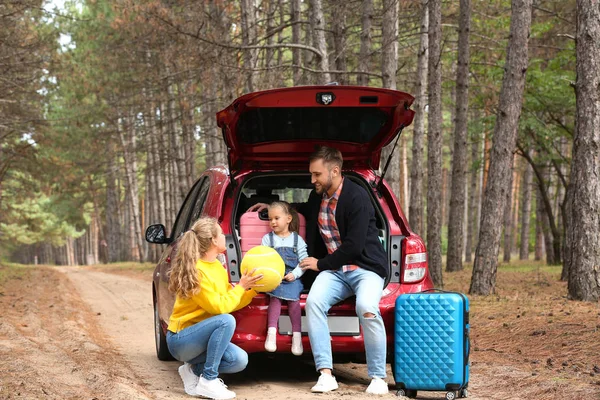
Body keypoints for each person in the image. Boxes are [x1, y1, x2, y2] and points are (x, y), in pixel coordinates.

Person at [248, 146, 390, 395]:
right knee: (313, 303)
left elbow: (355, 246)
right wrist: (274, 208)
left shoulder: (357, 197)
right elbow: (300, 211)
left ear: (334, 171)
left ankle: (377, 376)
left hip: (365, 268)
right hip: (335, 272)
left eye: (316, 174)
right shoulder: (319, 197)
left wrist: (320, 264)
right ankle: (326, 373)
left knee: (366, 308)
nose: (312, 180)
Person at [166, 216, 263, 399]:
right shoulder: (198, 271)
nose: (225, 235)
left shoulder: (217, 266)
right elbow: (220, 308)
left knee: (239, 360)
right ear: (212, 240)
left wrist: (252, 291)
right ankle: (208, 380)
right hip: (181, 340)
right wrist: (240, 287)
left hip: (200, 342)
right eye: (221, 233)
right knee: (226, 321)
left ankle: (194, 370)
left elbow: (230, 301)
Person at [261, 201, 308, 356]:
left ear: (288, 219)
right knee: (274, 298)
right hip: (275, 277)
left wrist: (294, 274)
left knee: (294, 301)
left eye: (276, 218)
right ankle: (271, 333)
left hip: (292, 277)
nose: (273, 222)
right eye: (270, 219)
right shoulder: (268, 239)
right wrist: (273, 273)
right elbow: (264, 258)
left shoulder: (297, 240)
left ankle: (297, 336)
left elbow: (304, 262)